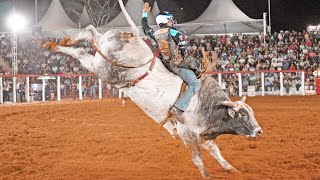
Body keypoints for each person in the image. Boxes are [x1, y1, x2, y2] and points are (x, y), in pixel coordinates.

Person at [141, 2, 200, 116]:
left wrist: (144, 14)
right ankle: (179, 106)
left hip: (164, 64)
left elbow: (145, 27)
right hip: (177, 66)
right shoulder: (177, 34)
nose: (172, 21)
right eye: (170, 20)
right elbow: (183, 52)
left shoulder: (155, 33)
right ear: (166, 21)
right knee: (194, 84)